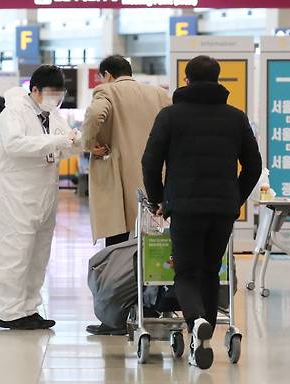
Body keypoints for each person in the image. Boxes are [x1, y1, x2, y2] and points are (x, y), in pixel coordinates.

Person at [142, 56, 261, 369]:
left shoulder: (170, 116)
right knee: (210, 271)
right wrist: (235, 197)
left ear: (186, 79)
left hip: (183, 206)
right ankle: (200, 341)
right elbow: (254, 165)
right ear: (218, 79)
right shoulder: (235, 117)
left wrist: (158, 200)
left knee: (185, 271)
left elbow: (150, 162)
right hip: (222, 208)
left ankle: (196, 324)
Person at [82, 55, 171, 337]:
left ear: (107, 74)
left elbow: (96, 116)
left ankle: (115, 318)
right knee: (154, 245)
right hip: (157, 182)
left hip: (121, 184)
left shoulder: (107, 92)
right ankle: (153, 308)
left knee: (119, 250)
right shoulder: (159, 94)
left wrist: (89, 144)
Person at [0, 65, 80, 330]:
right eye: (52, 93)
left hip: (44, 192)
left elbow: (64, 145)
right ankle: (9, 312)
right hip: (16, 193)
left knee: (38, 255)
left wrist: (81, 143)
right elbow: (15, 145)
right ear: (35, 90)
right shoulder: (12, 114)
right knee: (15, 253)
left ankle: (29, 308)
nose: (56, 99)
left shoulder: (53, 116)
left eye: (60, 94)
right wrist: (57, 142)